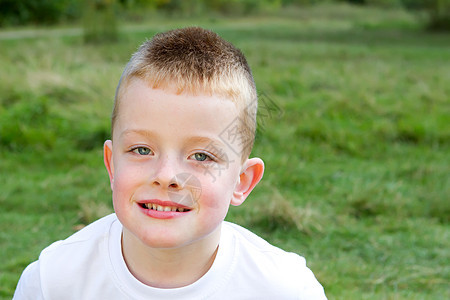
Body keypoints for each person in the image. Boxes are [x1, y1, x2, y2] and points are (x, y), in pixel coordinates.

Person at [13, 27, 327, 299]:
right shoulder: (52, 282)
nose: (166, 177)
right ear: (111, 165)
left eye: (201, 156)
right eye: (141, 150)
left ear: (242, 182)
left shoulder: (285, 290)